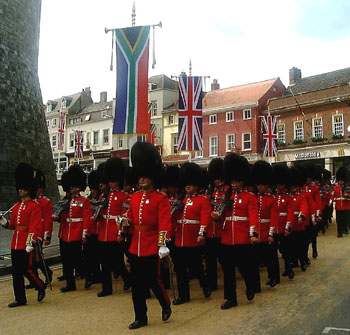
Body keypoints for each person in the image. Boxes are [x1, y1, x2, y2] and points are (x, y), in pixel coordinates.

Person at [126, 142, 172, 330]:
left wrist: (162, 245)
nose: (142, 180)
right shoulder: (135, 197)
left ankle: (166, 304)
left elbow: (164, 224)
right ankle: (141, 317)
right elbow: (130, 218)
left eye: (145, 177)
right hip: (136, 245)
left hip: (152, 245)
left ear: (152, 179)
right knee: (136, 285)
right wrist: (124, 222)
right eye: (141, 176)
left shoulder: (161, 198)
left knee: (154, 280)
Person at [1, 163, 46, 307]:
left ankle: (40, 285)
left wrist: (29, 242)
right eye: (19, 188)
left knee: (27, 270)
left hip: (26, 243)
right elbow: (13, 225)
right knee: (16, 272)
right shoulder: (17, 206)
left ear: (28, 189)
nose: (20, 190)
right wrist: (3, 222)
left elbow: (34, 226)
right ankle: (20, 299)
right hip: (15, 242)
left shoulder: (35, 206)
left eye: (22, 188)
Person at [220, 153, 259, 309]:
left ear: (242, 181)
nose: (234, 183)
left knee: (245, 268)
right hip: (227, 238)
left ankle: (250, 286)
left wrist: (253, 233)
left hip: (243, 237)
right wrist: (217, 216)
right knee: (228, 271)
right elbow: (223, 218)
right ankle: (231, 298)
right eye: (232, 181)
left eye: (237, 181)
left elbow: (253, 216)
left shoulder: (249, 197)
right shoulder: (226, 197)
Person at [172, 162, 211, 305]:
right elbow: (174, 219)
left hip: (193, 238)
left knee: (197, 267)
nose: (188, 186)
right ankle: (184, 296)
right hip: (180, 239)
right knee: (181, 270)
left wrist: (202, 233)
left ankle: (205, 286)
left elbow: (205, 218)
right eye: (186, 184)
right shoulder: (180, 200)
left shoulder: (203, 200)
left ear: (197, 185)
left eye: (191, 184)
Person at [95, 157, 130, 297]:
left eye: (113, 181)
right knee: (104, 263)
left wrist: (121, 233)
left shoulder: (124, 196)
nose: (111, 183)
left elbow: (125, 216)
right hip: (104, 232)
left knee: (118, 262)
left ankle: (128, 279)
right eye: (110, 181)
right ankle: (106, 288)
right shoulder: (104, 196)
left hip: (115, 232)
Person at [60, 165, 92, 292]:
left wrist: (85, 234)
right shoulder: (66, 201)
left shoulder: (84, 201)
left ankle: (88, 276)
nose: (73, 189)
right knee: (66, 261)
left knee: (78, 260)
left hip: (77, 233)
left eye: (75, 187)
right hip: (66, 233)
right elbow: (63, 217)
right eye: (72, 187)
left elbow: (86, 218)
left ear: (80, 188)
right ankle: (70, 284)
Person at [252, 160, 280, 288]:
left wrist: (271, 234)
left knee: (271, 258)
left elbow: (274, 217)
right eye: (258, 184)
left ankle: (273, 277)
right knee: (257, 258)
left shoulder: (272, 199)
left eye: (262, 184)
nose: (260, 186)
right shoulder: (254, 198)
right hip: (257, 231)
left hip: (267, 230)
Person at [205, 157, 226, 291]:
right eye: (215, 178)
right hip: (210, 231)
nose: (217, 181)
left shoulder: (228, 191)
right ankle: (212, 284)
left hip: (222, 231)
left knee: (224, 261)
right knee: (210, 261)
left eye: (219, 178)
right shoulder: (210, 191)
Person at [270, 164, 294, 279]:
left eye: (282, 184)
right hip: (275, 228)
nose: (280, 186)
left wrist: (288, 227)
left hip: (284, 227)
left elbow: (290, 213)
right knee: (274, 252)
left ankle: (288, 268)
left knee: (286, 251)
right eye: (279, 184)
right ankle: (275, 275)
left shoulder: (288, 198)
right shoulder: (272, 197)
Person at [330, 166, 350, 237]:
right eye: (340, 180)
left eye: (342, 180)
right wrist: (330, 201)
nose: (341, 181)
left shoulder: (348, 188)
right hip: (338, 206)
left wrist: (348, 196)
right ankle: (339, 232)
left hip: (346, 206)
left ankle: (345, 229)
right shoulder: (336, 188)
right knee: (339, 220)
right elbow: (332, 195)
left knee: (346, 219)